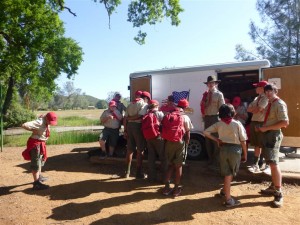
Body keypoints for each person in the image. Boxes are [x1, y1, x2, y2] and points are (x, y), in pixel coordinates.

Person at [204, 104, 247, 207]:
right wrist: (245, 154)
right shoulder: (237, 124)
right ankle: (228, 199)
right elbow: (243, 140)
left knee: (227, 173)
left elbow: (206, 132)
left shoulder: (219, 124)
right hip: (235, 150)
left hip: (223, 149)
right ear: (232, 112)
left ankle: (224, 191)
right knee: (229, 174)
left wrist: (217, 140)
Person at [257, 83, 289, 208]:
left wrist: (266, 128)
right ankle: (273, 187)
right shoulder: (270, 103)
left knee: (274, 164)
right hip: (268, 134)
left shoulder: (279, 103)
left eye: (270, 91)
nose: (268, 93)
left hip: (273, 135)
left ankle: (278, 193)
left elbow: (285, 122)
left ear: (275, 91)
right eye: (266, 91)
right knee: (271, 163)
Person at [161, 99, 193, 197]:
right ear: (185, 107)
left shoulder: (168, 114)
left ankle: (166, 188)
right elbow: (188, 133)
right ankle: (176, 189)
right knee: (178, 166)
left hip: (168, 142)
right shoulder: (185, 117)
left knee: (170, 165)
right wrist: (186, 144)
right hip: (179, 142)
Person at [21, 112, 58, 190]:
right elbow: (24, 125)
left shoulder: (45, 120)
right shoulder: (39, 122)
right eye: (50, 121)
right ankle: (36, 184)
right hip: (35, 144)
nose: (51, 124)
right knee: (36, 163)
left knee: (40, 161)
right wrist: (32, 130)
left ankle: (39, 177)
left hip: (40, 143)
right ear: (47, 119)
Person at [200, 75, 225, 169]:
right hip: (207, 118)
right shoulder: (205, 94)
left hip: (215, 118)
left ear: (215, 84)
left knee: (215, 140)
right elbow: (202, 106)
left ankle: (216, 161)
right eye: (209, 83)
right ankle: (210, 160)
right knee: (207, 139)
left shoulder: (219, 94)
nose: (210, 84)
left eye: (212, 83)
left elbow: (222, 108)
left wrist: (222, 120)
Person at [123, 90, 148, 179]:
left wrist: (125, 130)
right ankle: (138, 173)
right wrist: (132, 118)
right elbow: (140, 116)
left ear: (135, 95)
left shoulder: (130, 104)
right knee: (140, 150)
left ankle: (126, 172)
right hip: (138, 126)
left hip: (129, 126)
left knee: (129, 149)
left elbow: (125, 118)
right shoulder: (143, 104)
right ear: (143, 96)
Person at [142, 99, 167, 183]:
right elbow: (164, 124)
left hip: (149, 137)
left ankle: (151, 178)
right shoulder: (160, 113)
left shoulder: (147, 114)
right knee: (163, 158)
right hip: (158, 137)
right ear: (156, 105)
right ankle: (165, 179)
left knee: (151, 158)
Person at [247, 80, 269, 173]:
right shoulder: (257, 98)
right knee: (257, 144)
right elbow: (248, 109)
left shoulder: (266, 98)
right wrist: (254, 109)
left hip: (261, 123)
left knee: (263, 144)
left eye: (257, 87)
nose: (256, 88)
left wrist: (254, 109)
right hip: (254, 122)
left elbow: (258, 110)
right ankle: (256, 164)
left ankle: (267, 164)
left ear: (262, 88)